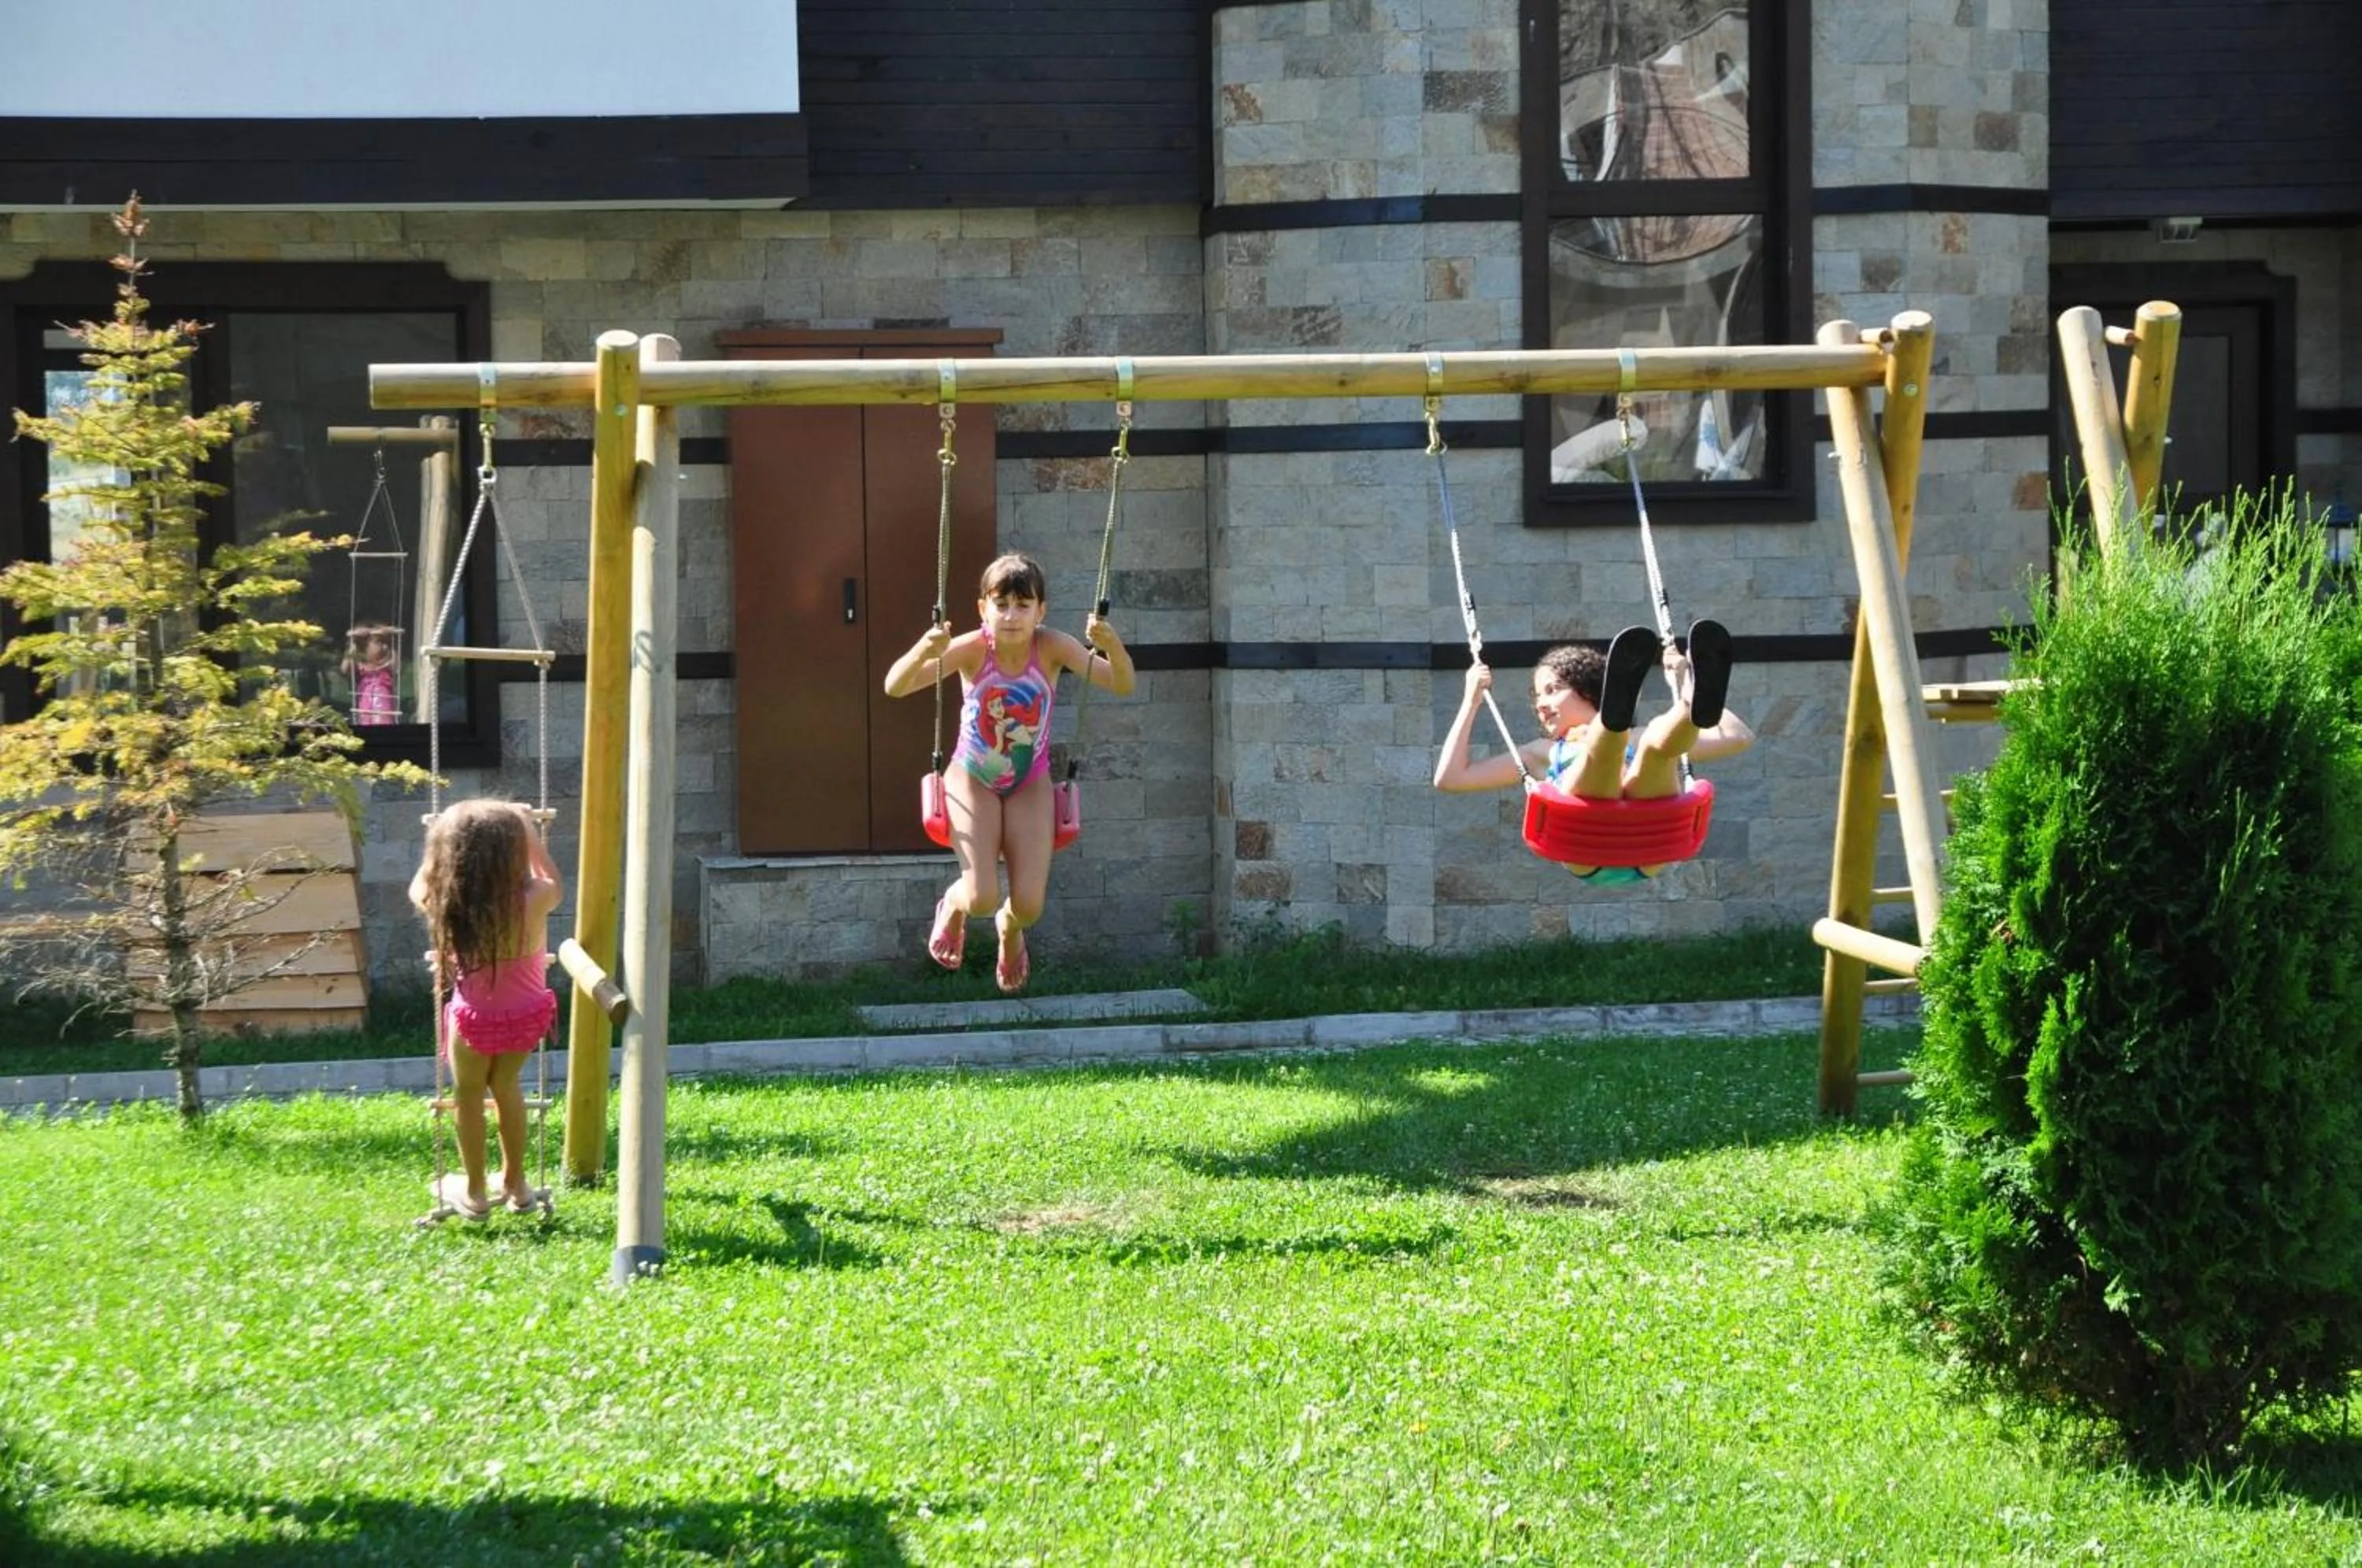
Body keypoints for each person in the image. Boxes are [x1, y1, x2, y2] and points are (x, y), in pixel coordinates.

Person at [884, 553, 1136, 992]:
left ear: (1042, 611)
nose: (1012, 615)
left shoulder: (1053, 647)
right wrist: (925, 650)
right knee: (980, 895)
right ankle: (955, 908)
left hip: (1028, 783)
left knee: (1029, 906)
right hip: (971, 778)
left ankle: (1010, 929)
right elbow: (896, 685)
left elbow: (1121, 683)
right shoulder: (972, 649)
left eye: (1024, 605)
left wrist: (1111, 645)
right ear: (983, 608)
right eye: (1001, 604)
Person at [1433, 621, 1753, 884]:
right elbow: (1450, 778)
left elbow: (1738, 735)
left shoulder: (1635, 737)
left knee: (1657, 744)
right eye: (1537, 696)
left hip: (1649, 841)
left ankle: (1686, 707)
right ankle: (1611, 726)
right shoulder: (1542, 753)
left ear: (1587, 690)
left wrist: (1687, 681)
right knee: (1605, 749)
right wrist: (1471, 700)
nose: (1540, 704)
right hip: (1588, 846)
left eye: (1552, 690)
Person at [407, 799, 562, 1219]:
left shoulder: (445, 901)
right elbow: (552, 876)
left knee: (469, 1093)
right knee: (507, 1087)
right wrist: (525, 827)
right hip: (527, 1015)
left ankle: (476, 1191)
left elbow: (418, 884)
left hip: (473, 1019)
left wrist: (440, 835)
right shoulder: (535, 897)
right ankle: (517, 1181)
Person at [345, 622, 400, 726]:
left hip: (383, 706)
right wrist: (353, 643)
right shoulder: (361, 666)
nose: (384, 646)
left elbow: (396, 666)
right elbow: (345, 668)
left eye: (386, 643)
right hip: (366, 705)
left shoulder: (386, 667)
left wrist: (392, 641)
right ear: (366, 646)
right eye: (379, 642)